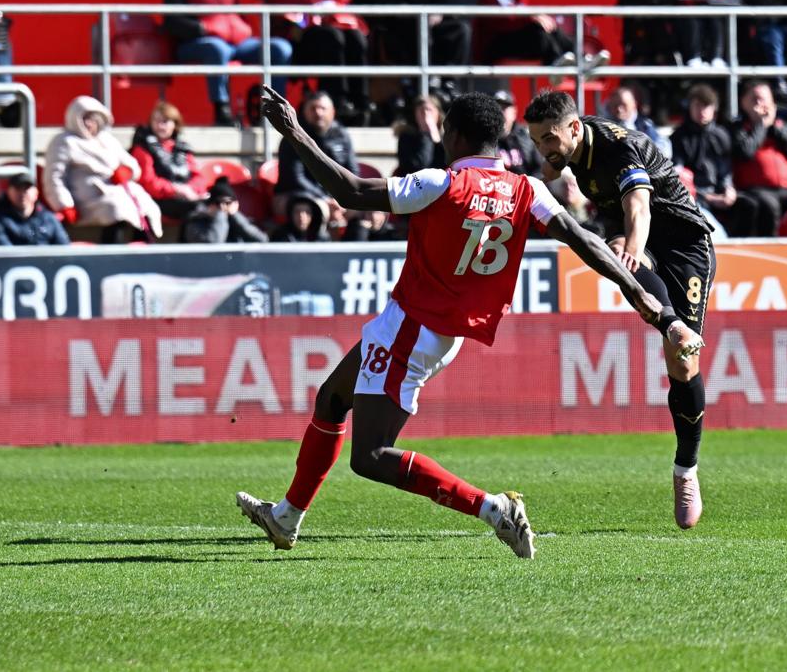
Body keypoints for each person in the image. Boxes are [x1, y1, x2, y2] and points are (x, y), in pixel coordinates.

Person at [237, 87, 665, 559]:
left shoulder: (441, 183)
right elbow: (583, 240)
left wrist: (294, 132)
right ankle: (286, 517)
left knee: (371, 455)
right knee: (333, 397)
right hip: (440, 329)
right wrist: (635, 286)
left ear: (454, 135)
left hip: (412, 326)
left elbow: (350, 191)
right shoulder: (528, 190)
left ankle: (493, 508)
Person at [524, 90, 713, 531]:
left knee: (684, 368)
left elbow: (639, 207)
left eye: (549, 139)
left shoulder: (618, 147)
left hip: (684, 245)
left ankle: (686, 470)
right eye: (536, 141)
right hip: (629, 239)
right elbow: (554, 173)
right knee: (616, 255)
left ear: (574, 129)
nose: (544, 150)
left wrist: (631, 250)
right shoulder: (567, 145)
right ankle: (672, 326)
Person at [163, 0, 293, 127]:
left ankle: (276, 108)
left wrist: (243, 27)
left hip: (236, 43)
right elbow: (171, 22)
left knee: (280, 48)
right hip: (195, 43)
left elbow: (239, 16)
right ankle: (222, 110)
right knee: (218, 48)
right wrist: (203, 28)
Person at [43, 95, 163, 244]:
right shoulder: (63, 141)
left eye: (93, 119)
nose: (89, 123)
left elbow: (133, 166)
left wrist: (126, 171)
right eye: (85, 118)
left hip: (116, 191)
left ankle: (143, 247)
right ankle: (111, 250)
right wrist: (65, 204)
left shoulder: (107, 140)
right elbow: (54, 178)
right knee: (116, 207)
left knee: (145, 204)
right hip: (86, 199)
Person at [261, 0, 373, 126]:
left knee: (357, 39)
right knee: (332, 38)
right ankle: (336, 104)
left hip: (333, 19)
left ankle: (361, 106)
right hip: (296, 32)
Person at [671, 83, 752, 236]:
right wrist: (706, 197)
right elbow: (679, 174)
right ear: (690, 107)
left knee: (750, 206)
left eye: (706, 106)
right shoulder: (679, 137)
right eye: (697, 105)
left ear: (714, 109)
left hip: (720, 194)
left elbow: (726, 169)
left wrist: (729, 190)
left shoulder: (721, 135)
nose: (702, 111)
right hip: (695, 197)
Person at [730, 80, 787, 236]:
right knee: (769, 204)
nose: (760, 104)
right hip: (755, 190)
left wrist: (775, 128)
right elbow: (745, 152)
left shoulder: (782, 127)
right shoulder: (738, 128)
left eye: (764, 99)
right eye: (754, 99)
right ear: (743, 103)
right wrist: (761, 126)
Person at [274, 90, 357, 225]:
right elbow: (296, 178)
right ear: (304, 111)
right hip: (299, 195)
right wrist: (325, 199)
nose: (318, 113)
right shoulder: (292, 136)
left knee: (369, 207)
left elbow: (353, 172)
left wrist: (341, 198)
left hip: (336, 197)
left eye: (323, 108)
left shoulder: (342, 135)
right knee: (316, 209)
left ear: (333, 112)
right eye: (313, 108)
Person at [130, 99, 209, 239]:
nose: (160, 126)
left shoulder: (183, 148)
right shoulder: (142, 148)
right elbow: (148, 183)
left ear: (175, 125)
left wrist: (190, 190)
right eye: (156, 121)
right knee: (196, 208)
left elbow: (199, 177)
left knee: (215, 205)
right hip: (156, 199)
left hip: (183, 198)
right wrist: (177, 189)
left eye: (165, 121)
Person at [0, 172, 70, 246]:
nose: (22, 193)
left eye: (26, 189)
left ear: (36, 193)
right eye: (18, 189)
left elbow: (64, 248)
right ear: (8, 192)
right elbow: (5, 253)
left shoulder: (49, 219)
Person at [182, 177, 268, 243]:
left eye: (228, 203)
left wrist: (235, 215)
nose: (223, 207)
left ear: (236, 204)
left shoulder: (239, 220)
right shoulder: (196, 221)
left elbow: (262, 240)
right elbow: (214, 243)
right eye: (218, 203)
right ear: (210, 205)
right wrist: (220, 215)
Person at [604, 85, 671, 158]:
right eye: (615, 105)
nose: (619, 109)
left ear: (634, 105)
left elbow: (664, 152)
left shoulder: (645, 125)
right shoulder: (603, 126)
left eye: (624, 105)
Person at [394, 94, 446, 175]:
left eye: (429, 110)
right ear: (415, 115)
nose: (425, 114)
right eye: (421, 111)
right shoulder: (406, 136)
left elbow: (449, 163)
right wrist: (426, 134)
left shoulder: (448, 136)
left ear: (438, 114)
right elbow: (419, 166)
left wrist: (436, 137)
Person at [495, 90, 541, 177]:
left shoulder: (526, 136)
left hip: (525, 186)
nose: (500, 112)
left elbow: (538, 168)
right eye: (497, 108)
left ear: (514, 112)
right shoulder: (486, 138)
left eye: (504, 108)